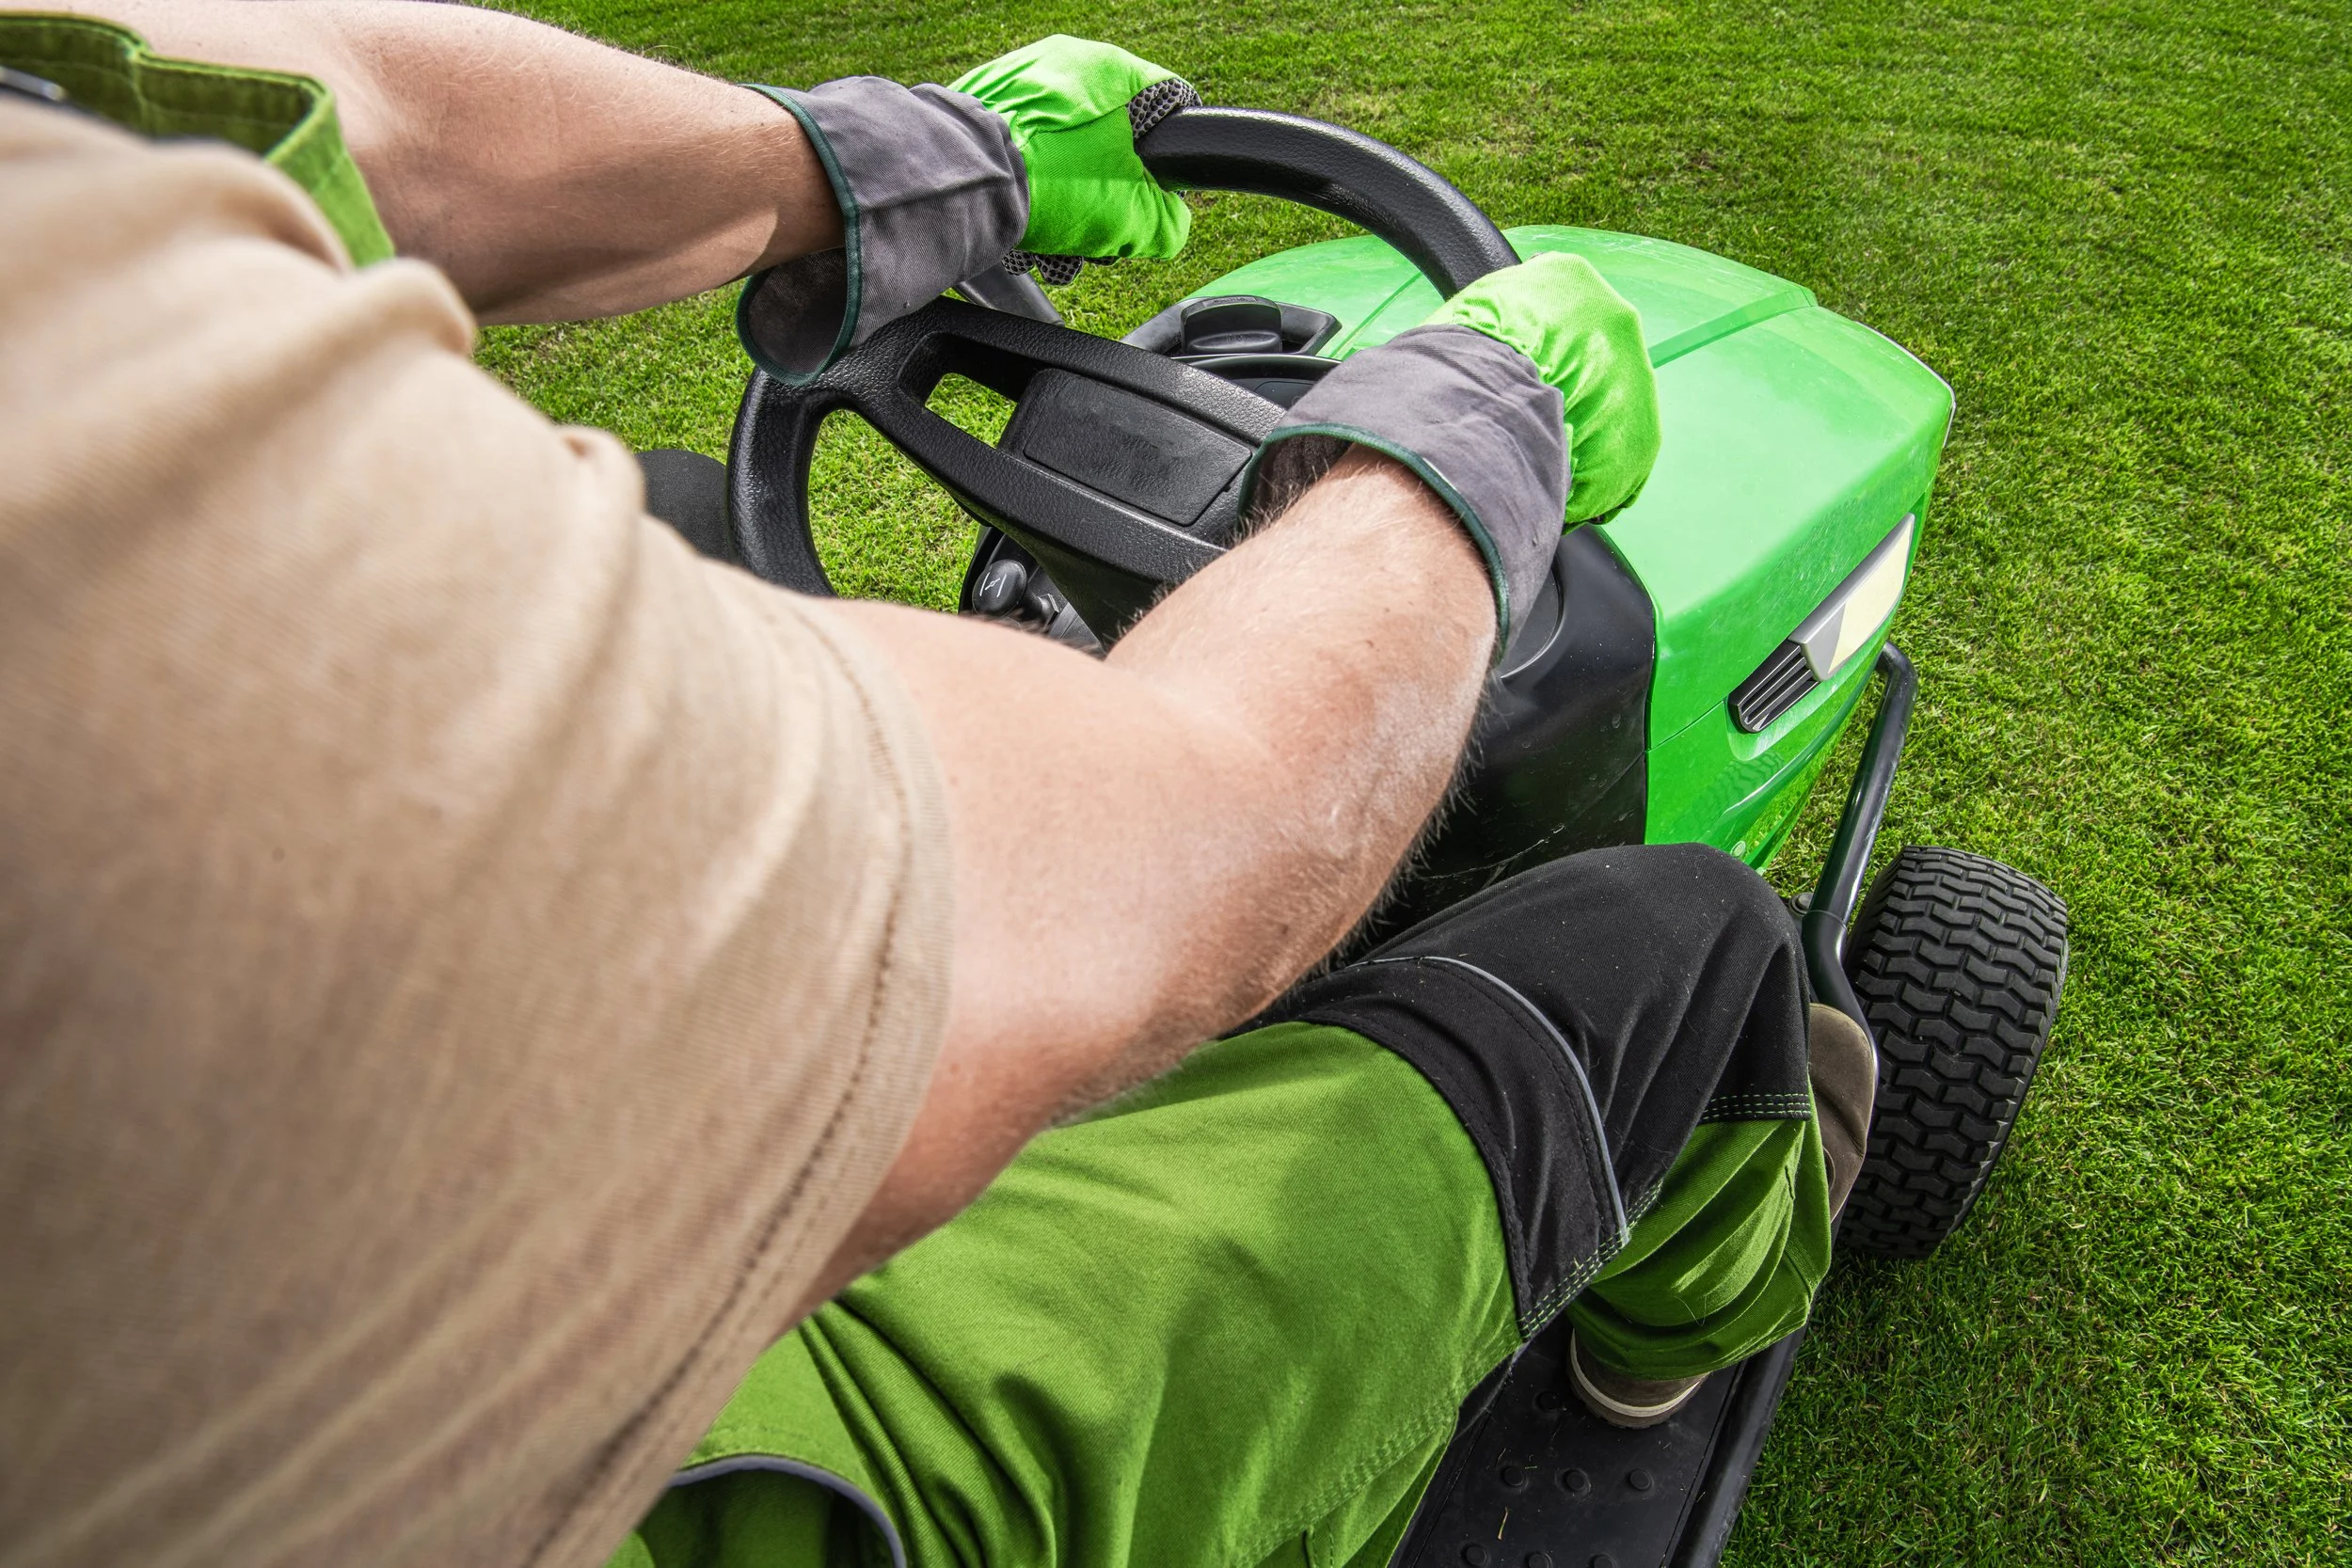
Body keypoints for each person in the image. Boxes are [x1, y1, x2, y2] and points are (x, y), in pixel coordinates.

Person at [0, 6, 1877, 1568]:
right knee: (1680, 959)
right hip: (659, 1466)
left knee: (672, 513)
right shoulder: (100, 662)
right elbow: (1157, 859)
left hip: (262, 1296)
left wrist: (877, 164)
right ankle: (1645, 1364)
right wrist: (1446, 460)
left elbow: (262, 114)